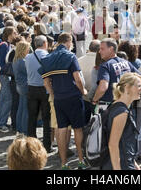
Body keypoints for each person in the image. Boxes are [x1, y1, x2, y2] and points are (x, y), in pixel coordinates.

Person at [41, 33, 88, 170]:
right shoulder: (70, 56)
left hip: (59, 98)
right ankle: (80, 160)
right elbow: (77, 78)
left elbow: (46, 82)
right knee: (78, 128)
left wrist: (53, 94)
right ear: (69, 42)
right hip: (73, 96)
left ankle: (63, 163)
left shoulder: (48, 57)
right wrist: (83, 90)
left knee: (61, 129)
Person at [102, 73, 141, 170]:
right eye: (138, 86)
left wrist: (135, 165)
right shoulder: (122, 112)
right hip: (120, 164)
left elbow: (124, 142)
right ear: (127, 87)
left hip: (123, 161)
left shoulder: (115, 105)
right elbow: (113, 145)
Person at [91, 38, 140, 106]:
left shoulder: (105, 66)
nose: (99, 51)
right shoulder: (126, 63)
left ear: (111, 49)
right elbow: (140, 77)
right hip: (125, 104)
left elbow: (103, 88)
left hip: (108, 105)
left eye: (102, 49)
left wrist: (94, 100)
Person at [25, 35, 52, 152]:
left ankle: (31, 144)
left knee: (32, 117)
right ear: (45, 43)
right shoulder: (48, 56)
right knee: (46, 118)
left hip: (32, 88)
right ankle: (47, 145)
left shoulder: (28, 57)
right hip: (45, 89)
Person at [0, 26, 18, 132]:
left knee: (5, 99)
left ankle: (2, 121)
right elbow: (2, 62)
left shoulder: (8, 45)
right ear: (9, 34)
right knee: (6, 99)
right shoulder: (4, 45)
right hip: (4, 75)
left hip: (5, 75)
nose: (16, 34)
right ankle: (2, 123)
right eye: (15, 33)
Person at [78, 40, 101, 123]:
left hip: (83, 95)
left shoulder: (79, 60)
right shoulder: (101, 61)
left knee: (83, 122)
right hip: (97, 96)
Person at [12, 41, 31, 135]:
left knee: (21, 108)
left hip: (19, 85)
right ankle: (24, 130)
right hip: (25, 86)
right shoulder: (22, 61)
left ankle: (19, 128)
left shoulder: (15, 60)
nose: (29, 50)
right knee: (25, 109)